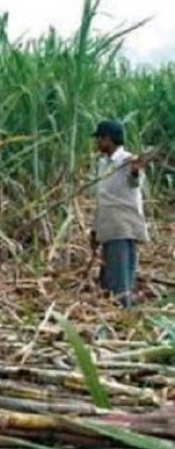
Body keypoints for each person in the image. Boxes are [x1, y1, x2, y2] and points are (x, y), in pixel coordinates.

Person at [90, 120, 150, 308]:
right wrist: (95, 230)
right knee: (109, 277)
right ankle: (117, 314)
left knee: (120, 279)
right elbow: (102, 199)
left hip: (122, 226)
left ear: (108, 139)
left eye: (99, 138)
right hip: (108, 226)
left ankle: (123, 316)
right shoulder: (103, 163)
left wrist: (135, 171)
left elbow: (135, 181)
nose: (97, 143)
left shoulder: (128, 161)